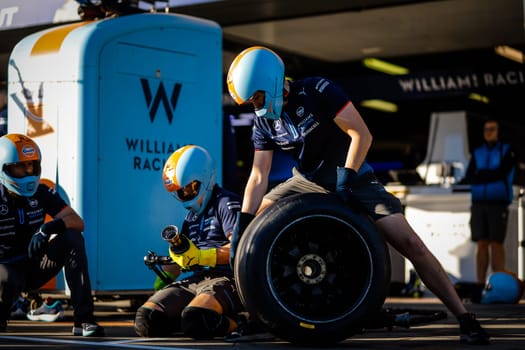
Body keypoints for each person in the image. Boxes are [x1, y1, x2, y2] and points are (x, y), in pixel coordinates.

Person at [226, 46, 490, 345]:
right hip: (306, 181)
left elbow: (361, 134)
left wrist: (346, 178)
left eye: (256, 97)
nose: (255, 105)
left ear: (270, 82)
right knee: (250, 238)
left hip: (352, 176)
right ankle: (254, 317)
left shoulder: (316, 90)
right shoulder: (263, 121)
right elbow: (259, 175)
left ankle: (465, 318)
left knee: (411, 243)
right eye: (251, 101)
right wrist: (244, 223)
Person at [134, 145, 246, 339]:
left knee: (196, 319)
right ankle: (196, 318)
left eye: (189, 188)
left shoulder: (226, 203)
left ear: (205, 179)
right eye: (180, 191)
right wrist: (164, 279)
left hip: (226, 278)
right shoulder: (191, 216)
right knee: (146, 319)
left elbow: (241, 248)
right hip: (196, 279)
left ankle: (244, 323)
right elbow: (185, 255)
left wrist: (203, 256)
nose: (184, 195)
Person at [0, 133, 103, 336]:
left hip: (35, 266)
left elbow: (77, 222)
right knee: (5, 276)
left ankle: (84, 320)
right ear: (4, 167)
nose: (28, 172)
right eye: (20, 167)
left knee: (73, 238)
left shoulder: (42, 191)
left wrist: (47, 229)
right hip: (4, 271)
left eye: (32, 165)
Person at [463, 119, 516, 283]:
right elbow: (470, 175)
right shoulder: (478, 152)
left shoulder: (507, 150)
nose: (488, 132)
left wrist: (482, 175)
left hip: (497, 202)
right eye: (486, 129)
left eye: (492, 129)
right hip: (479, 202)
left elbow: (501, 173)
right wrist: (488, 175)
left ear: (499, 131)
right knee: (482, 243)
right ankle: (480, 284)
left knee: (496, 243)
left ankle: (498, 283)